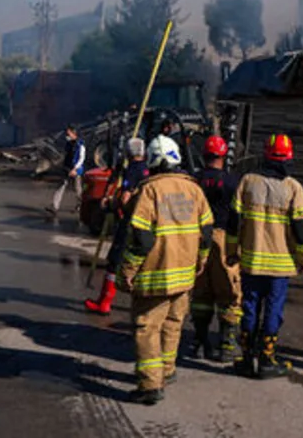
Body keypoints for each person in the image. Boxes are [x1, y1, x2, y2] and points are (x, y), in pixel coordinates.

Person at [117, 135, 213, 405]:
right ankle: (167, 371)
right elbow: (206, 233)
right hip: (185, 275)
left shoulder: (149, 191)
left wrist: (128, 271)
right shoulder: (194, 189)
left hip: (154, 275)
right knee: (173, 324)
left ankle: (150, 386)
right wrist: (201, 261)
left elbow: (140, 238)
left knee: (146, 328)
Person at [229, 133, 303, 379]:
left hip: (251, 262)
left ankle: (246, 360)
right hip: (280, 266)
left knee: (249, 307)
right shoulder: (293, 188)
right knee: (273, 310)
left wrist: (230, 252)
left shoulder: (247, 182)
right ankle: (267, 360)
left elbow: (234, 222)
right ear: (289, 157)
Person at [189, 135, 243, 362]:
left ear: (204, 155)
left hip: (197, 238)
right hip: (223, 238)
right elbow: (239, 216)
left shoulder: (194, 182)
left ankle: (201, 343)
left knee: (201, 293)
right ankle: (228, 345)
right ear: (223, 156)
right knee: (230, 293)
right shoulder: (232, 183)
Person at [85, 137, 149, 315]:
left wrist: (110, 204)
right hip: (145, 223)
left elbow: (125, 198)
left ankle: (104, 302)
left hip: (129, 223)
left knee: (114, 261)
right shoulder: (147, 170)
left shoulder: (132, 171)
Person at [46, 126, 86, 220]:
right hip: (67, 169)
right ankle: (54, 207)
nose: (67, 136)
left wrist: (75, 169)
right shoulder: (68, 144)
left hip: (76, 170)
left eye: (68, 134)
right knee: (61, 186)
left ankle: (81, 206)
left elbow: (81, 159)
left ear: (73, 133)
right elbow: (66, 155)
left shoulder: (80, 145)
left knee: (78, 189)